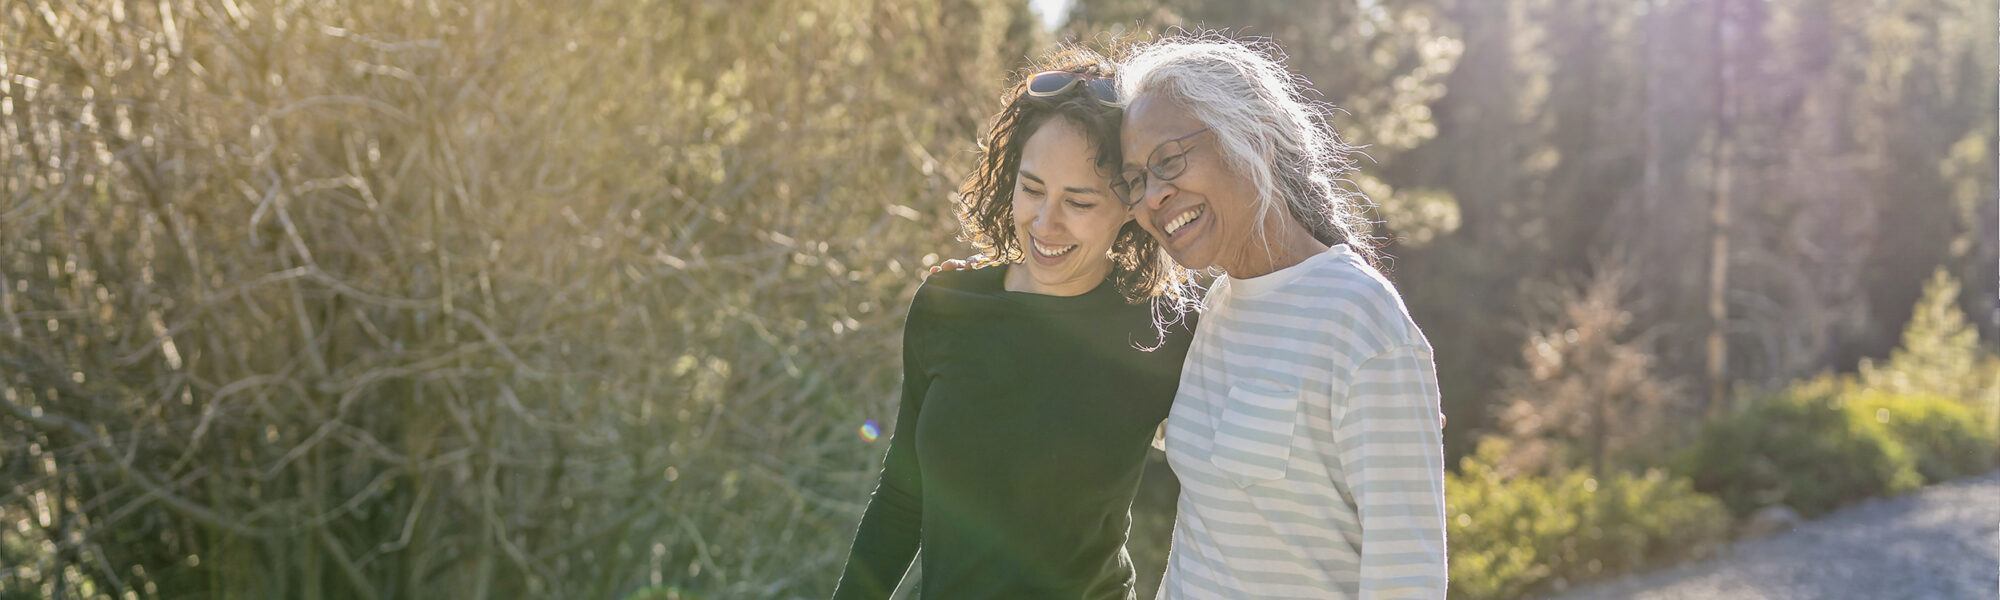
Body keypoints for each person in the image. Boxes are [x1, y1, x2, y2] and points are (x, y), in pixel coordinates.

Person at [832, 46, 1196, 600]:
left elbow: (1232, 482)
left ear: (1129, 204)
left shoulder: (1164, 332)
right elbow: (904, 496)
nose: (1045, 224)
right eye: (1031, 189)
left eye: (1079, 201)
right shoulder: (947, 304)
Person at [1112, 35, 1449, 599]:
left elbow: (1407, 577)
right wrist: (996, 279)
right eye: (1137, 180)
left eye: (1168, 161)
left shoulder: (1359, 317)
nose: (1151, 197)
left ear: (1256, 136)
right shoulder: (1215, 310)